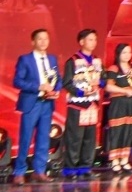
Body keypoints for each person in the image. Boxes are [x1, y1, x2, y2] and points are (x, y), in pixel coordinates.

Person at [13, 29, 61, 184]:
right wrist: (38, 87)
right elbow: (17, 81)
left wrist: (56, 90)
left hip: (47, 104)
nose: (43, 41)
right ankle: (19, 172)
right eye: (39, 39)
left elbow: (58, 78)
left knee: (43, 139)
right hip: (31, 103)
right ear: (33, 41)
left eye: (46, 38)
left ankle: (39, 171)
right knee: (26, 138)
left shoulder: (52, 59)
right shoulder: (25, 59)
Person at [62, 29, 103, 179]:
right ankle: (70, 169)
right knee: (75, 138)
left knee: (90, 138)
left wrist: (100, 82)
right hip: (77, 105)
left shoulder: (97, 60)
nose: (93, 42)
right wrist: (80, 92)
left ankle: (85, 167)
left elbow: (103, 78)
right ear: (81, 42)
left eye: (95, 39)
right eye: (90, 39)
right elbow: (66, 83)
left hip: (92, 104)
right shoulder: (73, 61)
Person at [104, 43, 132, 173]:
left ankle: (124, 160)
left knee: (128, 131)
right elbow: (108, 86)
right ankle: (114, 161)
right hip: (118, 103)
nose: (127, 55)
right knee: (117, 131)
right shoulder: (114, 68)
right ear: (118, 54)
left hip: (131, 104)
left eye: (129, 52)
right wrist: (125, 91)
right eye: (124, 52)